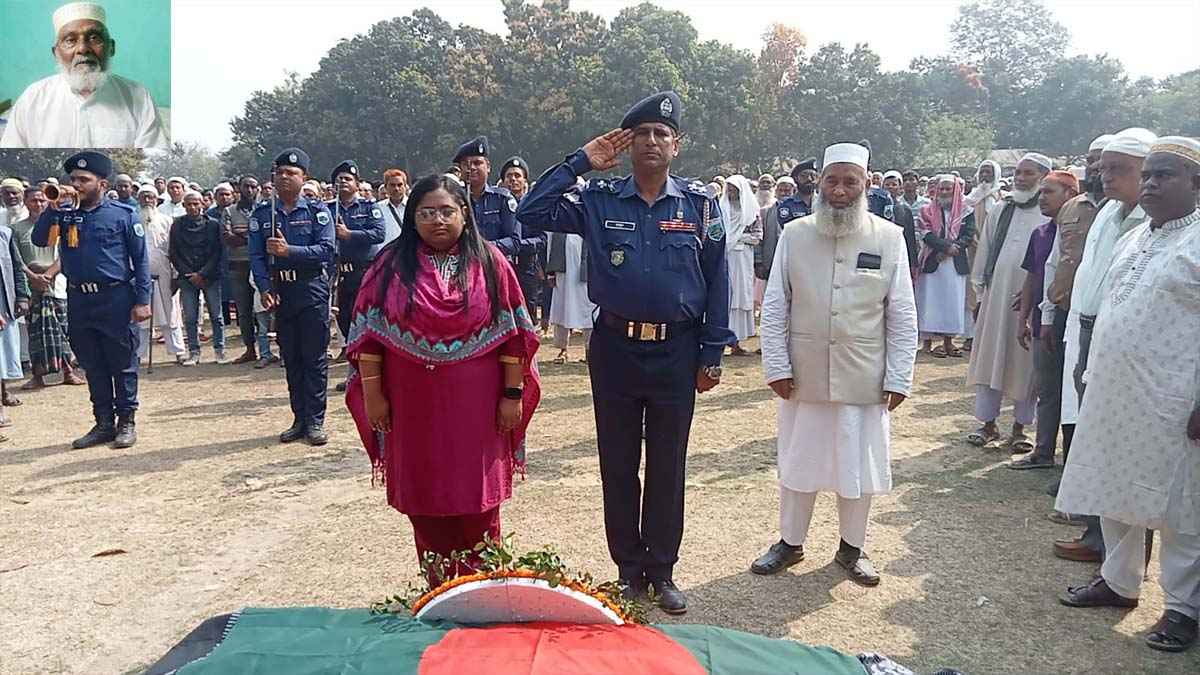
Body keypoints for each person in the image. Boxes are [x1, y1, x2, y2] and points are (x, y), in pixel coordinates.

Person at [517, 91, 734, 614]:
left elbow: (718, 280)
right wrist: (579, 161)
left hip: (677, 351)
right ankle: (628, 571)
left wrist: (712, 351)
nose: (653, 142)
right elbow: (531, 211)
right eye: (642, 134)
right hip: (614, 349)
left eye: (662, 134)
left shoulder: (701, 205)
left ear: (676, 146)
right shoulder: (599, 199)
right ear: (627, 144)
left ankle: (662, 569)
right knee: (617, 463)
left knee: (667, 463)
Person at [344, 174, 541, 584]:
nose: (438, 220)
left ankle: (483, 591)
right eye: (426, 212)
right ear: (412, 218)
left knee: (478, 499)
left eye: (447, 211)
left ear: (465, 215)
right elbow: (367, 337)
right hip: (412, 404)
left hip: (479, 406)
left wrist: (511, 394)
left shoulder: (491, 263)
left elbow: (513, 335)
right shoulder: (388, 266)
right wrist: (374, 395)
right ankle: (439, 591)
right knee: (424, 495)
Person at [1056, 137, 1200, 654]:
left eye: (1165, 175)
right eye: (1150, 175)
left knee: (1181, 505)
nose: (1152, 184)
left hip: (1177, 401)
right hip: (1117, 392)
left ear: (1196, 184)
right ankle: (1119, 583)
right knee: (1117, 488)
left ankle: (1183, 609)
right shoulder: (1135, 238)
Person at [751, 142, 918, 586]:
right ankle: (789, 542)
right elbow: (775, 306)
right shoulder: (795, 234)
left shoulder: (889, 237)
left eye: (850, 181)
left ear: (866, 184)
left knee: (857, 466)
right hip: (803, 373)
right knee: (798, 459)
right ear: (819, 183)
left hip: (864, 374)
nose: (840, 190)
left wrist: (900, 376)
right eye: (832, 180)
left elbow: (902, 313)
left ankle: (852, 548)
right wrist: (777, 367)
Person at [1052, 128, 1155, 563]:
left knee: (1124, 448)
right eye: (1101, 167)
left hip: (1126, 346)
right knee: (1089, 434)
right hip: (1087, 329)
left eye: (1118, 170)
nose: (1104, 175)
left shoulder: (1152, 224)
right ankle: (1097, 535)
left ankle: (1122, 554)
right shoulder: (1109, 215)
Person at [31, 151, 151, 448]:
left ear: (102, 183)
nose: (76, 184)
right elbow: (39, 240)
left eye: (84, 179)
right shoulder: (65, 213)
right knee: (93, 364)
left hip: (115, 298)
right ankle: (103, 423)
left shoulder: (123, 214)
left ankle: (127, 422)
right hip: (79, 299)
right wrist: (52, 208)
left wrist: (142, 300)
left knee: (122, 363)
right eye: (73, 179)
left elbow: (141, 260)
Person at [248, 148, 335, 446]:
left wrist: (290, 252)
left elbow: (326, 251)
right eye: (280, 172)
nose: (284, 177)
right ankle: (299, 417)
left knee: (314, 358)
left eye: (292, 173)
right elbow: (256, 256)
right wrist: (264, 288)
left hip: (310, 290)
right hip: (280, 292)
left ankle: (315, 420)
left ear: (304, 178)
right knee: (292, 357)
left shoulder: (316, 212)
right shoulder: (263, 213)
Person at [1040, 135, 1110, 503]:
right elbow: (1057, 264)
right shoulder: (1074, 208)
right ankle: (1072, 475)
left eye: (1106, 161)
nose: (1097, 167)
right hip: (1071, 314)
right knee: (1071, 397)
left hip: (1110, 323)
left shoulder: (1137, 212)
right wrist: (1049, 316)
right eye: (1092, 159)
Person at [965, 153, 1052, 450]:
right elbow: (986, 250)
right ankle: (987, 424)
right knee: (991, 358)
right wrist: (980, 292)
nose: (1021, 178)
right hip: (997, 295)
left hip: (1032, 299)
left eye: (1028, 173)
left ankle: (1020, 429)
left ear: (1043, 176)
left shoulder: (1050, 211)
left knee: (1025, 365)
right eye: (1018, 172)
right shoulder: (1002, 208)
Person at [0, 2, 168, 148]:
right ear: (56, 53)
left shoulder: (138, 96)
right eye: (70, 40)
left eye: (94, 38)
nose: (83, 48)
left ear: (111, 47)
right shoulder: (33, 98)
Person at [1010, 170, 1078, 469]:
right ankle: (1043, 452)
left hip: (1072, 322)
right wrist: (1022, 319)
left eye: (1049, 192)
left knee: (1074, 393)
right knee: (1047, 390)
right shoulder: (1040, 234)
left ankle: (1073, 458)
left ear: (1071, 194)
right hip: (1042, 323)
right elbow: (1032, 278)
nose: (1042, 198)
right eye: (1041, 193)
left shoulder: (1080, 232)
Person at [10, 187, 84, 389]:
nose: (39, 204)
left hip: (57, 284)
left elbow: (66, 254)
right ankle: (38, 375)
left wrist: (48, 274)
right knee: (36, 332)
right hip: (31, 286)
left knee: (62, 329)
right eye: (34, 200)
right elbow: (17, 260)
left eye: (42, 200)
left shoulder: (60, 225)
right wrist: (34, 276)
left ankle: (68, 371)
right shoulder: (16, 229)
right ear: (25, 202)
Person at [327, 160, 384, 380]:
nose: (342, 183)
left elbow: (378, 234)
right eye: (338, 179)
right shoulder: (328, 209)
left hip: (365, 272)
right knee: (345, 322)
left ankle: (369, 373)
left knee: (367, 321)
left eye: (347, 179)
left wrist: (350, 234)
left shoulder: (369, 207)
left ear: (357, 183)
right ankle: (353, 373)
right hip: (341, 274)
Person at [915, 176, 974, 357]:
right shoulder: (926, 210)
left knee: (952, 302)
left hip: (955, 263)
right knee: (930, 302)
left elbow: (969, 234)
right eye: (942, 189)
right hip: (933, 261)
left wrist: (952, 249)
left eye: (949, 189)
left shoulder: (966, 211)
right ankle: (927, 343)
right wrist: (945, 247)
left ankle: (948, 342)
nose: (945, 192)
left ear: (956, 190)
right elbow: (925, 233)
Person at [170, 191, 227, 365]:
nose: (193, 207)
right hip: (187, 277)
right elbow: (174, 253)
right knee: (190, 317)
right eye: (189, 204)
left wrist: (202, 273)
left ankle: (220, 350)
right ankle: (194, 352)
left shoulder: (213, 225)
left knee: (216, 316)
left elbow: (218, 251)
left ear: (202, 204)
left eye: (196, 204)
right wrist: (190, 274)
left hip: (210, 275)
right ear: (184, 206)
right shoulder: (177, 225)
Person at [135, 184, 185, 365]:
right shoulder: (133, 219)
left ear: (156, 199)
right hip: (138, 273)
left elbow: (173, 248)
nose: (148, 200)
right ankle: (139, 354)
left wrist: (175, 274)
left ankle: (178, 351)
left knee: (170, 311)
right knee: (140, 313)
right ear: (139, 199)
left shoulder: (166, 220)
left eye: (151, 197)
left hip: (164, 271)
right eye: (144, 197)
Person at [453, 137, 521, 262]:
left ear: (488, 166)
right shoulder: (453, 199)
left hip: (494, 266)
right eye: (465, 164)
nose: (472, 168)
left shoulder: (503, 199)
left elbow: (514, 242)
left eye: (477, 163)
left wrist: (481, 248)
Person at [221, 175, 263, 365]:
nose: (249, 190)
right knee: (243, 311)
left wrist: (244, 236)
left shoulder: (265, 210)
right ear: (239, 188)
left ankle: (270, 351)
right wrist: (253, 239)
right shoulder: (229, 211)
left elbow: (268, 235)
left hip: (261, 265)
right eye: (246, 186)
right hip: (238, 266)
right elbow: (227, 237)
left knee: (265, 309)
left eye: (253, 187)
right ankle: (249, 349)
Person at [721, 175, 762, 355]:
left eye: (733, 190)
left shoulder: (752, 212)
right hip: (724, 257)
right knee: (724, 298)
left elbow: (757, 237)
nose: (730, 193)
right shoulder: (721, 208)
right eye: (728, 189)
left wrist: (739, 238)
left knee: (739, 298)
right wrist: (730, 240)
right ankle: (720, 341)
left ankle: (736, 343)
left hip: (743, 258)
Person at [0, 207, 32, 436]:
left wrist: (22, 296)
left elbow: (17, 267)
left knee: (3, 360)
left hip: (5, 305)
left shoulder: (5, 234)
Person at [545, 230, 594, 364]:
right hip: (563, 271)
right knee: (562, 309)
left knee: (588, 310)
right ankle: (563, 349)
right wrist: (550, 272)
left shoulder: (590, 214)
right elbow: (550, 242)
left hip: (586, 271)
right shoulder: (560, 216)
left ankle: (590, 350)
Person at [883, 171, 919, 275]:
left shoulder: (904, 209)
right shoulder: (875, 207)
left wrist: (913, 263)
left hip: (899, 252)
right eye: (887, 184)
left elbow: (910, 237)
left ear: (900, 187)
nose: (890, 187)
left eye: (894, 184)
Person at [379, 168, 408, 247]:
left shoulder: (414, 206)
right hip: (386, 255)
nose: (396, 189)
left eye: (400, 185)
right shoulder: (378, 208)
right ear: (385, 187)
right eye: (392, 185)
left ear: (405, 186)